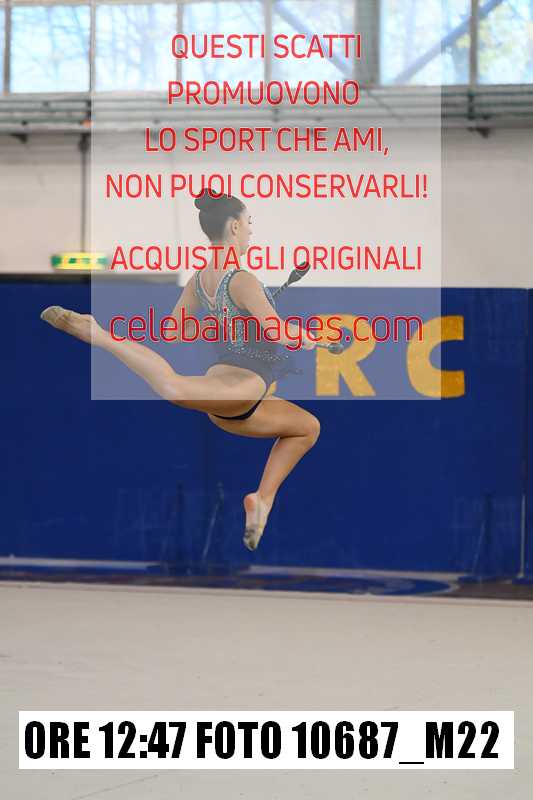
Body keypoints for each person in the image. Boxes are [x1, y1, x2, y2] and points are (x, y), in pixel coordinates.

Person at [41, 192, 320, 550]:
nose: (251, 232)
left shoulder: (199, 280)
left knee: (307, 427)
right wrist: (301, 336)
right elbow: (276, 331)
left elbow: (175, 331)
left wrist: (221, 323)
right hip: (242, 387)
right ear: (234, 227)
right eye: (249, 223)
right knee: (172, 387)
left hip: (228, 400)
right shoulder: (243, 280)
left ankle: (262, 502)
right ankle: (100, 335)